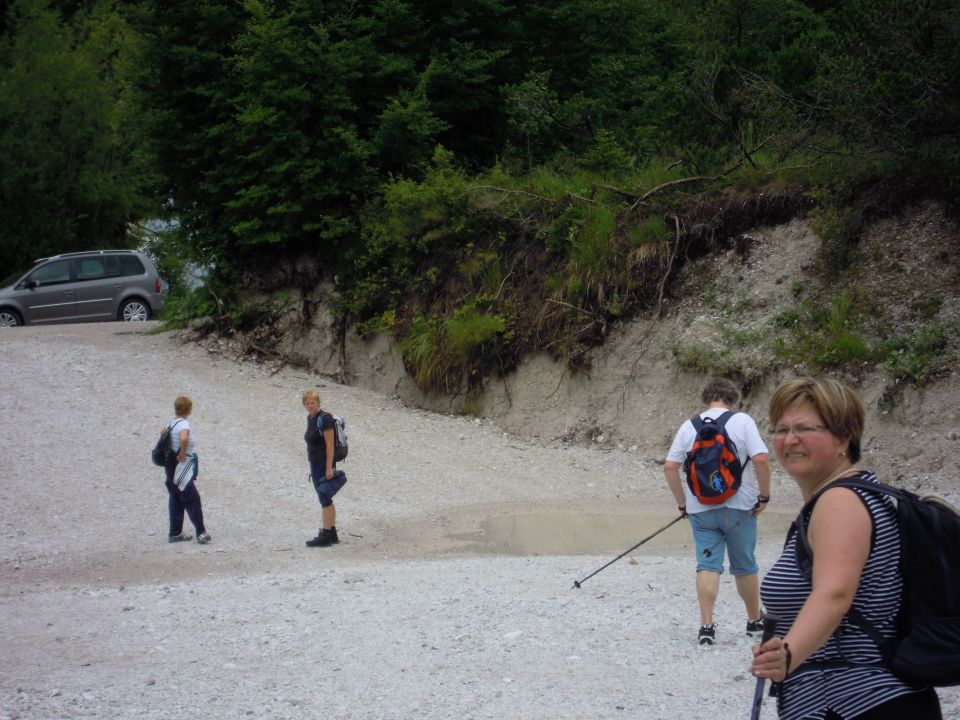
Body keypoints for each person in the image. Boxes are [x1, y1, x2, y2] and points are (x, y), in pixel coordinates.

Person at [750, 377, 941, 719]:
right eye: (781, 430)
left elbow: (835, 593)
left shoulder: (840, 501)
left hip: (857, 701)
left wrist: (787, 655)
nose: (789, 440)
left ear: (843, 438)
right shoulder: (865, 497)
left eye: (805, 428)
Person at [663, 377, 772, 645]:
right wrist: (764, 496)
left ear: (706, 398)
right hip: (740, 506)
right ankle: (754, 621)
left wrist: (682, 503)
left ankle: (707, 628)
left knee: (708, 564)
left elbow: (669, 466)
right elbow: (760, 459)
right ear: (733, 398)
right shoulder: (742, 421)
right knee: (745, 565)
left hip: (701, 508)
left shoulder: (689, 426)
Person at [163, 395, 210, 544]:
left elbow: (162, 433)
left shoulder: (171, 423)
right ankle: (201, 532)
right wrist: (182, 453)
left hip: (170, 465)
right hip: (181, 465)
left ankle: (175, 533)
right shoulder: (184, 425)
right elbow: (184, 438)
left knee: (175, 498)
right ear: (188, 409)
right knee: (192, 498)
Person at [302, 390, 347, 548]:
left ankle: (325, 535)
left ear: (318, 403)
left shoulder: (324, 419)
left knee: (324, 497)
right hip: (315, 463)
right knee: (326, 496)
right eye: (307, 403)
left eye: (313, 402)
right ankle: (332, 532)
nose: (310, 405)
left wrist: (328, 467)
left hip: (323, 463)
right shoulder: (311, 418)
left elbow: (329, 445)